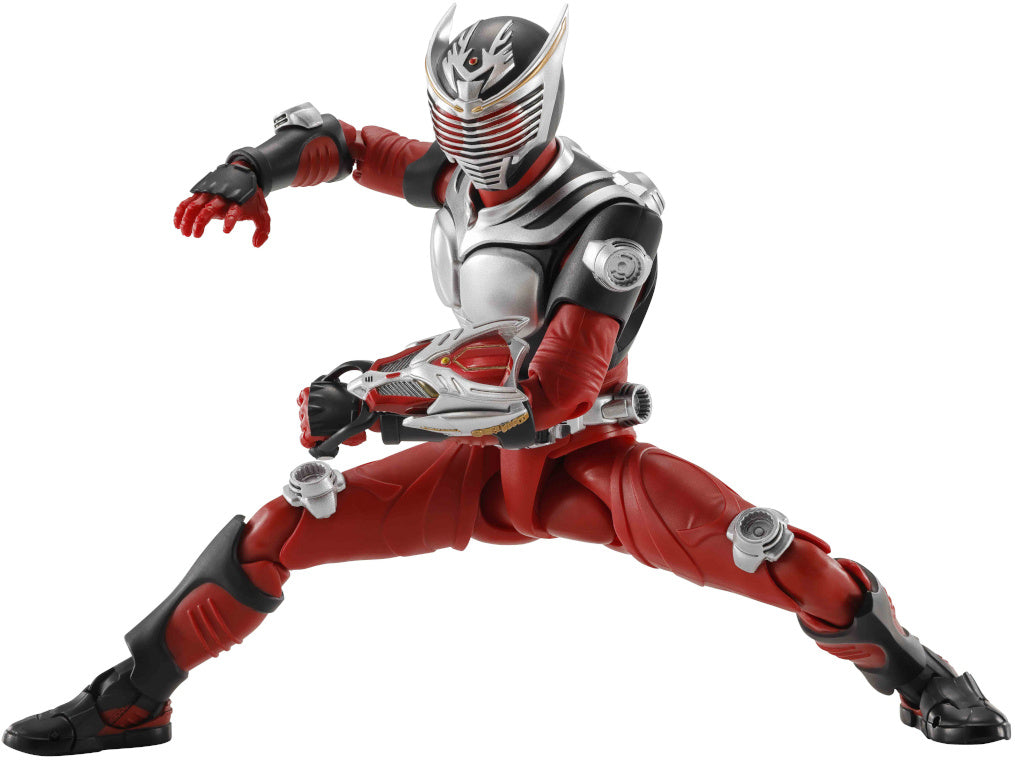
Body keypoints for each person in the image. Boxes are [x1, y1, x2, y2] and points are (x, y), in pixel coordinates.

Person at [3, 7, 1008, 755]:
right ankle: (132, 701)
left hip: (584, 465)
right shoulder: (457, 179)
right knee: (276, 529)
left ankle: (921, 678)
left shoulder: (611, 216)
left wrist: (378, 397)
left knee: (770, 552)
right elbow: (346, 144)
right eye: (458, 120)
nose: (474, 142)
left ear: (542, 101)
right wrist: (251, 169)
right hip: (475, 469)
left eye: (493, 118)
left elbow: (548, 388)